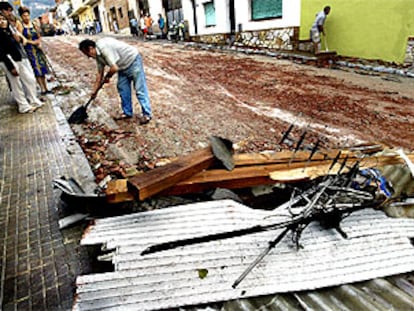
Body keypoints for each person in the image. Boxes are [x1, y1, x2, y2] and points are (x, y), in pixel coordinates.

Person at [78, 38, 152, 124]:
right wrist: (94, 91)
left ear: (91, 48)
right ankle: (127, 112)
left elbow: (114, 68)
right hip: (122, 66)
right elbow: (99, 74)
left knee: (140, 89)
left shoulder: (104, 48)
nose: (88, 57)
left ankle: (147, 114)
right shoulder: (98, 57)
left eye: (87, 54)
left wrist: (108, 76)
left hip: (132, 61)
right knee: (122, 88)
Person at [0, 12, 43, 113]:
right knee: (16, 84)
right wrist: (11, 67)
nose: (2, 21)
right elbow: (1, 52)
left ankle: (33, 100)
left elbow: (19, 41)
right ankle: (23, 106)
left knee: (30, 79)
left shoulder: (9, 31)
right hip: (7, 60)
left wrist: (15, 35)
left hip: (18, 58)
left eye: (3, 19)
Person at [17, 6, 51, 95]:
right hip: (29, 51)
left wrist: (39, 43)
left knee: (42, 68)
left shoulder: (34, 24)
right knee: (36, 70)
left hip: (38, 49)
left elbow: (39, 36)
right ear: (21, 16)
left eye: (28, 15)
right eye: (24, 16)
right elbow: (22, 39)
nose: (26, 18)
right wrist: (32, 42)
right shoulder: (20, 25)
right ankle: (42, 89)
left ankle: (46, 87)